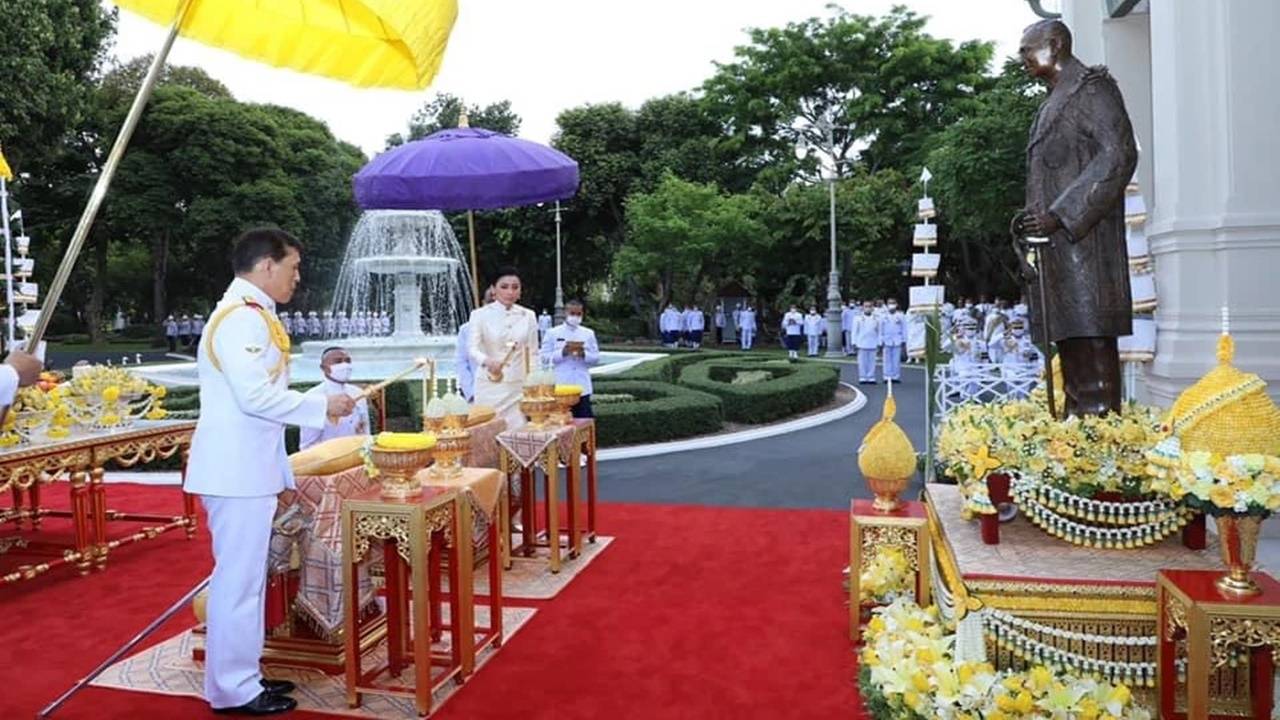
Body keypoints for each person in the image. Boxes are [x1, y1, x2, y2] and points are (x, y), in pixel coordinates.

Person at [185, 228, 356, 716]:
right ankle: (233, 689)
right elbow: (255, 398)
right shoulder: (241, 318)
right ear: (266, 266)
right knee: (237, 584)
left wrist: (280, 476)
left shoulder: (254, 314)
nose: (297, 277)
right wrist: (322, 405)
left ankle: (242, 676)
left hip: (248, 470)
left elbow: (262, 418)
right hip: (234, 473)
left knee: (247, 583)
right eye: (292, 267)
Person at [1016, 18, 1136, 417]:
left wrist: (1061, 214)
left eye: (1027, 49)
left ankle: (1098, 439)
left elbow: (1118, 156)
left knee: (1091, 343)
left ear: (1055, 45)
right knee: (1071, 348)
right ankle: (1076, 434)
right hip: (1057, 250)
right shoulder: (1052, 101)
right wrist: (1033, 220)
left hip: (1086, 245)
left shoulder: (1093, 89)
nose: (1021, 58)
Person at [468, 266, 540, 429]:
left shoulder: (528, 316)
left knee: (518, 431)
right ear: (493, 289)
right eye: (504, 287)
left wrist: (534, 382)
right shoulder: (479, 315)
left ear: (520, 291)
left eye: (515, 287)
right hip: (489, 383)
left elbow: (533, 353)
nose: (510, 292)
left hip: (517, 386)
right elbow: (472, 348)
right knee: (488, 430)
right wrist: (487, 361)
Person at [299, 347, 369, 450]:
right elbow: (308, 445)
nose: (345, 365)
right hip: (326, 457)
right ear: (324, 368)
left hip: (358, 454)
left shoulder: (358, 392)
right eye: (338, 361)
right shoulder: (312, 397)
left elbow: (365, 432)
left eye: (347, 361)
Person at [541, 299, 600, 418]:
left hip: (582, 387)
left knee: (584, 421)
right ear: (565, 313)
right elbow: (544, 358)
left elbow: (596, 358)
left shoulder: (588, 333)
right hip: (560, 386)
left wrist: (584, 354)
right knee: (560, 421)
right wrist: (562, 352)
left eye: (579, 314)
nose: (575, 317)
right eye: (572, 313)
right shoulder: (552, 333)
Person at [456, 287, 494, 402]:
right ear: (483, 303)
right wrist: (470, 393)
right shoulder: (466, 330)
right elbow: (461, 363)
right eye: (490, 302)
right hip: (477, 393)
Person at [852, 301, 881, 384]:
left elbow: (879, 332)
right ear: (863, 307)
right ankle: (863, 377)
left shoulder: (877, 318)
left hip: (873, 342)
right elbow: (854, 331)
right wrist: (854, 342)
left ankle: (871, 377)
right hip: (861, 342)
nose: (868, 308)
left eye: (869, 306)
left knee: (872, 362)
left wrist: (879, 343)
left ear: (872, 308)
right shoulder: (858, 318)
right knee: (862, 362)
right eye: (866, 306)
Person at [880, 300, 906, 381]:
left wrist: (904, 340)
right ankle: (887, 376)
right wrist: (880, 340)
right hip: (886, 339)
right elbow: (880, 329)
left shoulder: (900, 315)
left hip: (897, 339)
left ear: (896, 304)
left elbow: (904, 328)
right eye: (890, 303)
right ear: (887, 305)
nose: (891, 305)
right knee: (886, 359)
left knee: (896, 359)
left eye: (893, 303)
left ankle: (895, 376)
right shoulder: (883, 316)